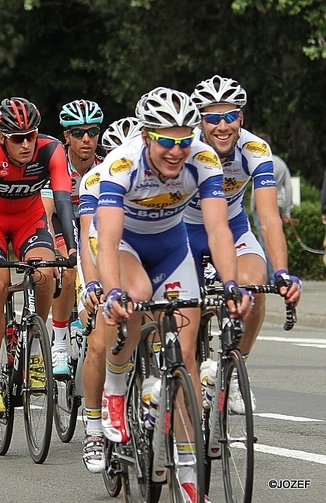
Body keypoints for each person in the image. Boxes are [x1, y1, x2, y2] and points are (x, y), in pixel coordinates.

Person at [96, 87, 250, 501]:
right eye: (167, 141)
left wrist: (231, 281)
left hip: (171, 246)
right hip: (126, 245)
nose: (176, 150)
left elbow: (219, 229)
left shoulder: (202, 160)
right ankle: (114, 390)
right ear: (147, 136)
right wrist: (112, 291)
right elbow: (106, 240)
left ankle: (188, 469)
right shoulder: (121, 164)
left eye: (184, 139)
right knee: (137, 293)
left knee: (185, 357)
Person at [187, 75, 301, 413]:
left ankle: (235, 370)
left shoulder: (254, 150)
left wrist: (281, 272)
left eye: (230, 116)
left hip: (233, 228)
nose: (222, 126)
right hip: (183, 230)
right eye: (212, 117)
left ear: (241, 118)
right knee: (183, 313)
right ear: (200, 121)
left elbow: (268, 218)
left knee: (254, 290)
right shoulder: (185, 149)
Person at [0, 97, 77, 416]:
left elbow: (63, 201)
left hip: (30, 218)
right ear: (3, 137)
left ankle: (35, 348)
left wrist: (70, 249)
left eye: (31, 135)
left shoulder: (52, 149)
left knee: (46, 272)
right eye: (18, 138)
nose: (27, 144)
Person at [77, 116, 142, 473]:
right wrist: (92, 284)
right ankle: (93, 430)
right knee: (101, 342)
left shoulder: (155, 174)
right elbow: (89, 240)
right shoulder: (96, 179)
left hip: (135, 255)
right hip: (97, 254)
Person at [42, 99, 104, 379]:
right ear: (66, 136)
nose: (86, 139)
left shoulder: (106, 165)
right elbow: (45, 214)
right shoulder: (55, 165)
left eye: (92, 131)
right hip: (59, 220)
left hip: (92, 221)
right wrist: (54, 248)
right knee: (68, 267)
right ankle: (58, 341)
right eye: (78, 133)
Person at [251, 132, 294, 280]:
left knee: (264, 242)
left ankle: (269, 276)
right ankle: (279, 273)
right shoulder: (280, 163)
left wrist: (252, 207)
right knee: (276, 240)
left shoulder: (257, 161)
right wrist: (287, 211)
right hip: (279, 204)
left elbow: (255, 190)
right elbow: (288, 187)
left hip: (261, 206)